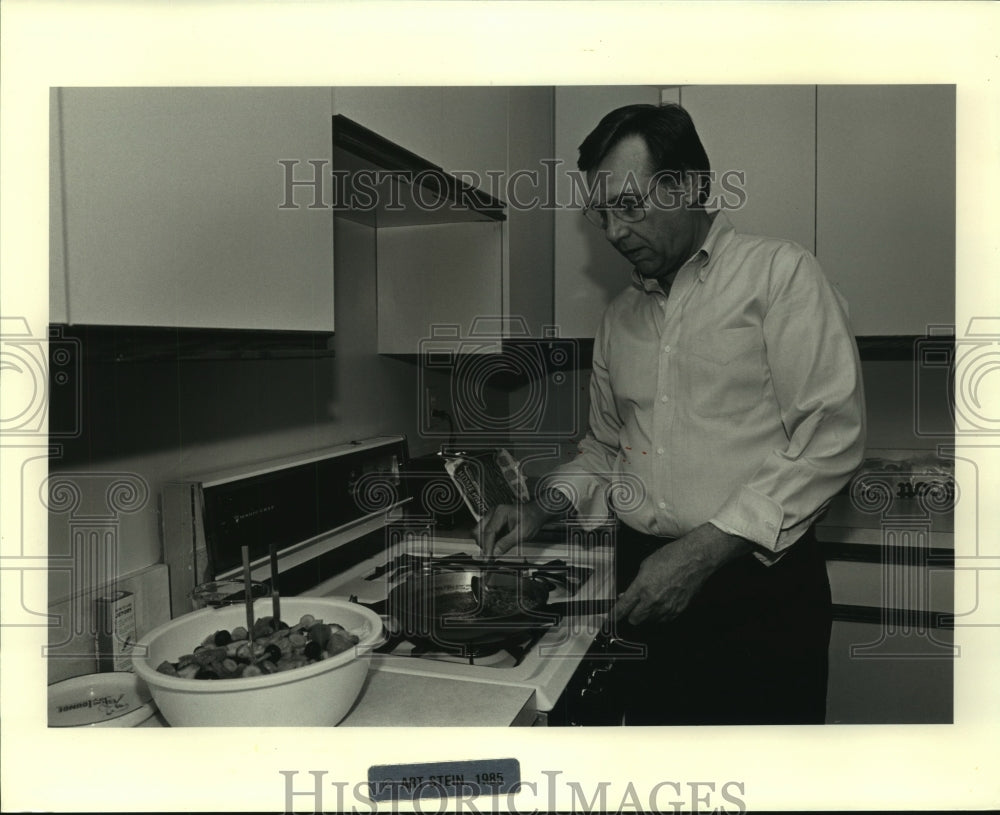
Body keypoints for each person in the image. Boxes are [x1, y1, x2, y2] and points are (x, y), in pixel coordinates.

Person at [475, 103, 866, 725]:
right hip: (644, 579)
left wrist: (698, 556)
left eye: (630, 206)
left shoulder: (781, 274)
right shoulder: (619, 317)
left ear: (690, 187)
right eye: (600, 212)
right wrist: (537, 507)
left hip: (756, 590)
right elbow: (605, 448)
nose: (614, 231)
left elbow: (832, 438)